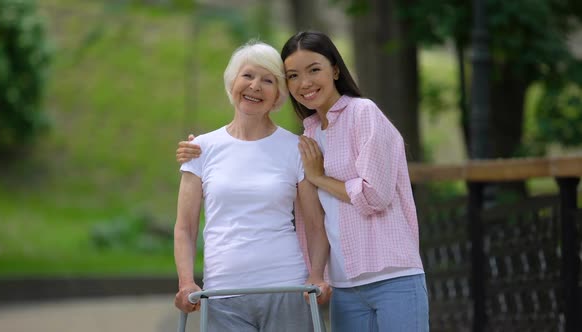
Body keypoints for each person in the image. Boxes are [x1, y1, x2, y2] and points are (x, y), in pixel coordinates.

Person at [177, 31, 429, 332]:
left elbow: (361, 200)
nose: (305, 82)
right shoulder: (310, 136)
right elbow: (186, 226)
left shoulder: (355, 117)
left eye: (314, 70)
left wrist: (319, 178)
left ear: (334, 70)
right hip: (342, 282)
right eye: (294, 75)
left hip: (387, 274)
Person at [173, 40, 328, 332]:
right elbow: (185, 227)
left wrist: (317, 275)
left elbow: (315, 222)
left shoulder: (296, 148)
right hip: (222, 294)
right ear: (233, 81)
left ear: (278, 95)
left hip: (287, 289)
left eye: (268, 80)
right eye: (248, 76)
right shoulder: (201, 149)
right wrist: (186, 281)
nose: (255, 86)